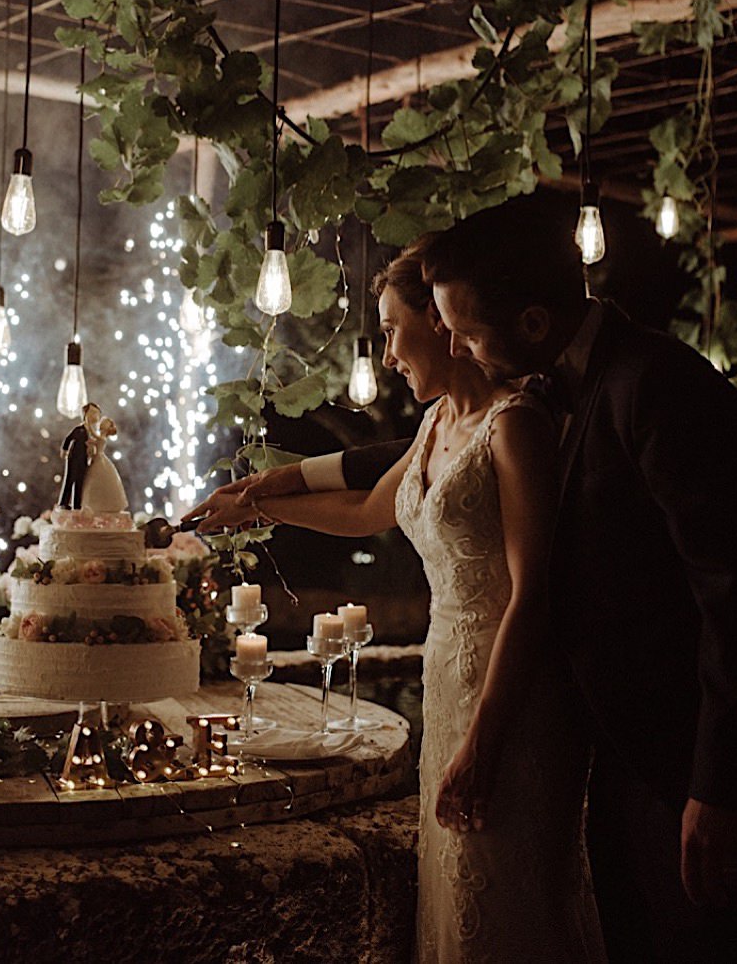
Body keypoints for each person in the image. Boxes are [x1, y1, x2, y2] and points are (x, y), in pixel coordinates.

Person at [185, 191, 737, 963]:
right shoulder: (545, 383)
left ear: (531, 322)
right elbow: (417, 466)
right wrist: (275, 486)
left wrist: (721, 788)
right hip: (615, 747)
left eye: (465, 333)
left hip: (693, 758)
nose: (457, 348)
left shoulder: (660, 385)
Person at [229, 250, 604, 963]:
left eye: (390, 330)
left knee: (510, 899)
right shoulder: (435, 424)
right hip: (445, 682)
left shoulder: (515, 425)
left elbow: (534, 594)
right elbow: (366, 510)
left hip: (511, 701)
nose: (388, 355)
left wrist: (485, 743)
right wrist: (257, 506)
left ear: (439, 322)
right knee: (455, 894)